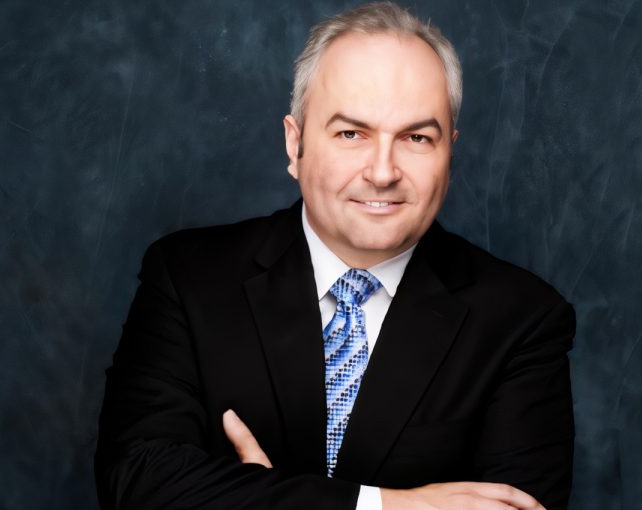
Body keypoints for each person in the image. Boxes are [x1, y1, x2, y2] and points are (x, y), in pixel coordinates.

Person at [95, 2, 575, 509]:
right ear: (294, 142)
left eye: (416, 137)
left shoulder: (522, 321)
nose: (382, 171)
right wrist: (387, 505)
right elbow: (138, 483)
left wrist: (253, 498)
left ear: (449, 152)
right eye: (352, 134)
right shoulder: (188, 279)